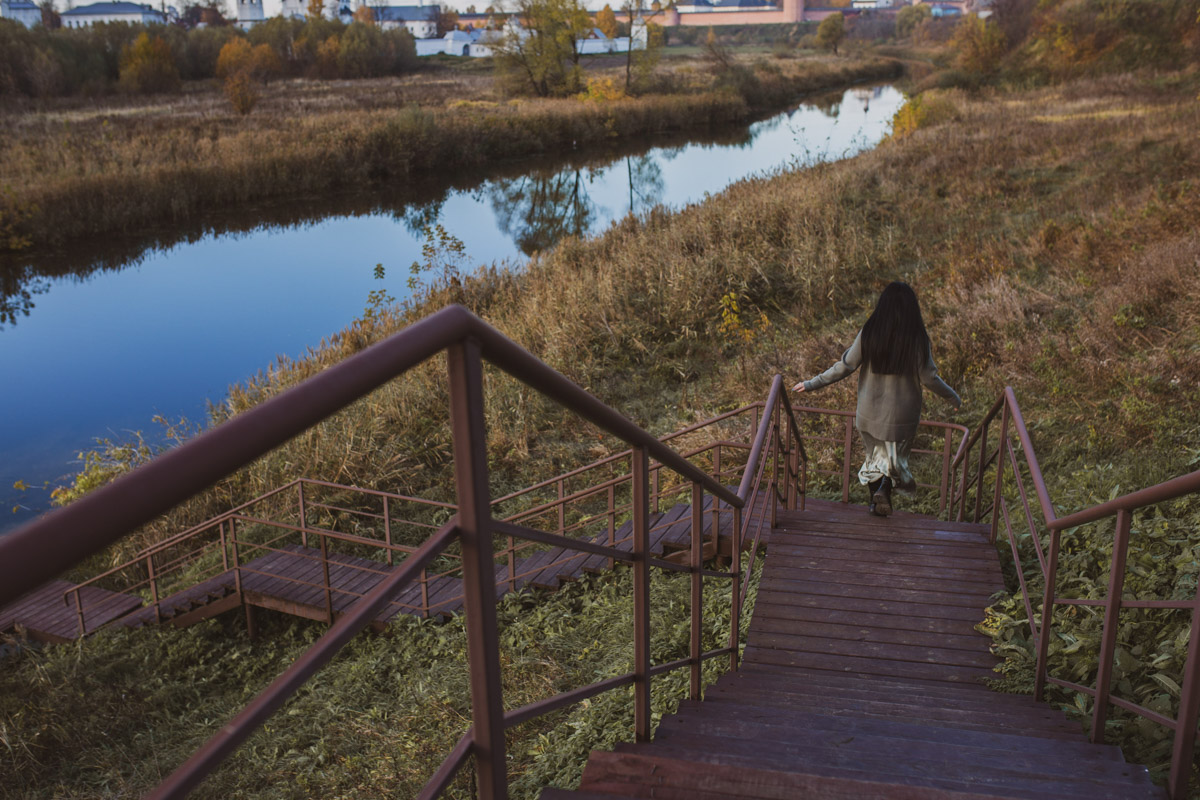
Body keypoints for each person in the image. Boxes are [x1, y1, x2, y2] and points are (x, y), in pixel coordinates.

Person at [793, 281, 960, 517]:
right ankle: (883, 489)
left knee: (874, 459)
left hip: (869, 414)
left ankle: (876, 501)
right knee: (895, 461)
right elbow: (930, 378)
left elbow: (845, 366)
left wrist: (811, 383)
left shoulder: (870, 332)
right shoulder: (917, 338)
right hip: (902, 417)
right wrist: (953, 398)